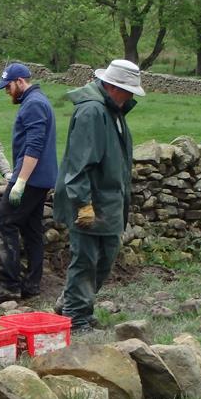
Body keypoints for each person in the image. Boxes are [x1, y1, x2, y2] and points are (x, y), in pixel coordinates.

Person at [53, 59, 145, 333]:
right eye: (127, 90)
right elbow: (79, 164)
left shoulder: (112, 110)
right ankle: (76, 317)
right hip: (91, 201)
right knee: (86, 260)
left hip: (108, 201)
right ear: (112, 86)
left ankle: (72, 305)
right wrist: (83, 204)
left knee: (104, 258)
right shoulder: (93, 112)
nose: (129, 96)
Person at [0, 63, 57, 301]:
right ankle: (32, 283)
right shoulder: (38, 101)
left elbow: (33, 147)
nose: (6, 91)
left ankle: (9, 284)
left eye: (8, 86)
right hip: (42, 178)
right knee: (32, 229)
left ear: (20, 82)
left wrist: (20, 181)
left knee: (4, 224)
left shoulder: (34, 105)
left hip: (31, 178)